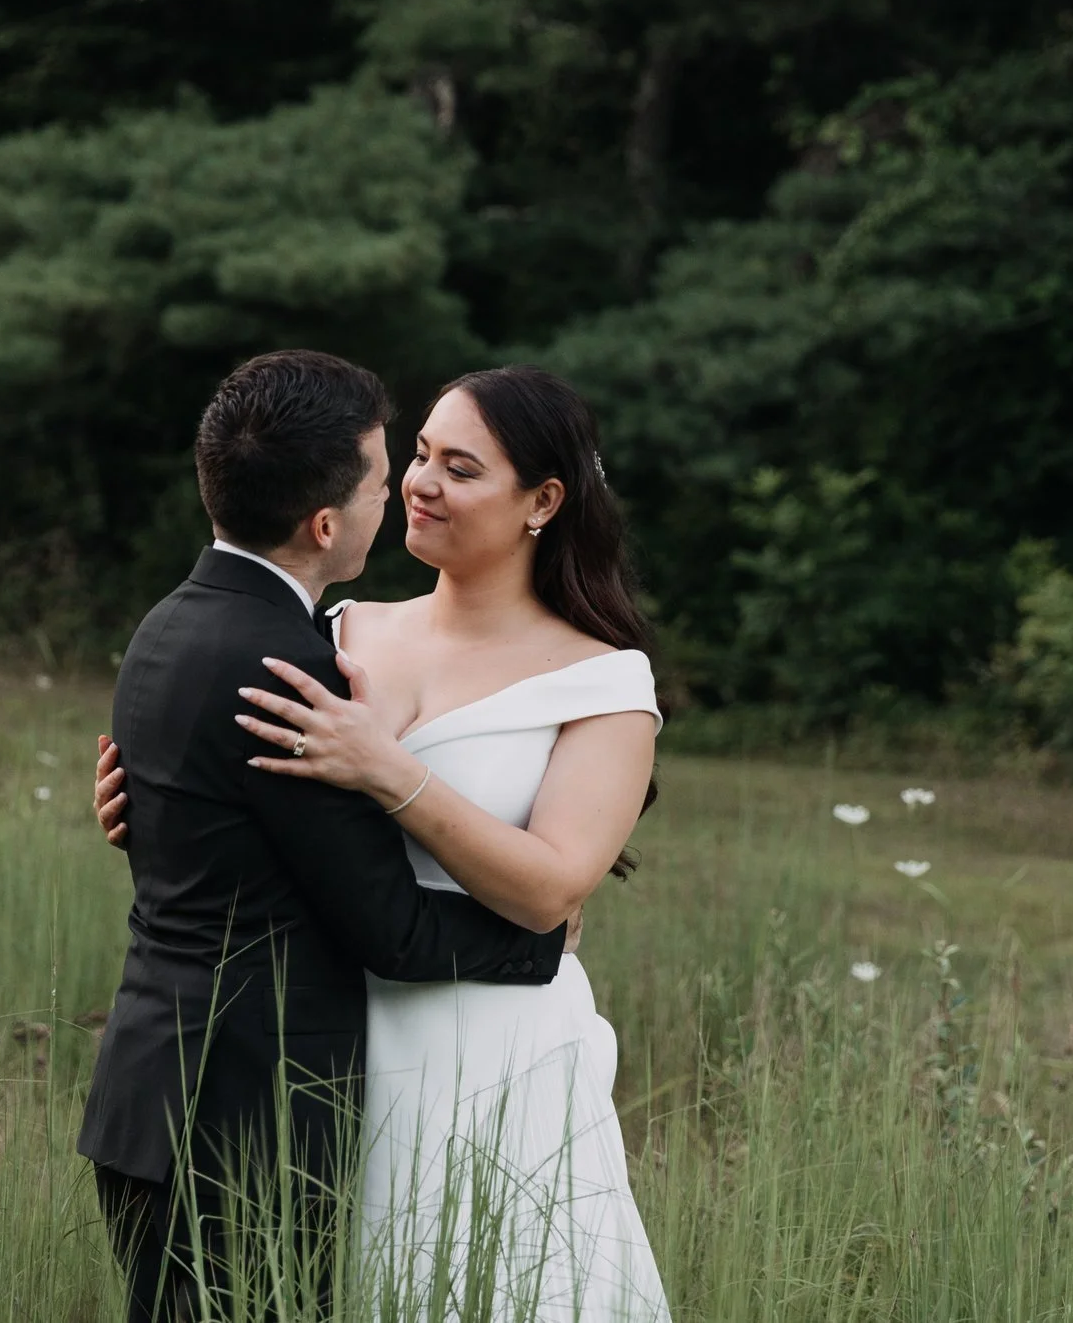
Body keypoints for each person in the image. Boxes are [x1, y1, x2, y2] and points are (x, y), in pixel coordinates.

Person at [94, 364, 670, 1323]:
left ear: (544, 501)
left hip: (490, 1059)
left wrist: (391, 771)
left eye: (461, 467)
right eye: (417, 455)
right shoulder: (340, 628)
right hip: (328, 1061)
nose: (420, 481)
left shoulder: (603, 684)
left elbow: (553, 893)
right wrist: (158, 814)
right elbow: (274, 825)